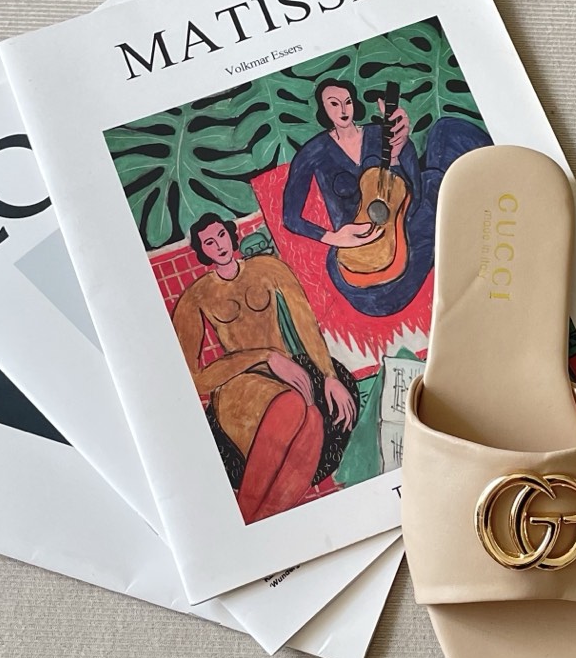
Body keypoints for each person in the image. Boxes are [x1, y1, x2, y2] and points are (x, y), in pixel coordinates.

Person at [173, 213, 356, 524]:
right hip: (237, 387)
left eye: (221, 235)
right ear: (202, 251)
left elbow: (306, 326)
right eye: (209, 242)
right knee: (292, 405)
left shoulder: (269, 269)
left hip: (286, 377)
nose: (218, 245)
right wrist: (265, 356)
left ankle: (253, 525)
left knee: (313, 420)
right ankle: (246, 520)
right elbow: (194, 378)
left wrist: (330, 376)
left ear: (231, 234)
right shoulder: (196, 296)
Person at [280, 77, 491, 318]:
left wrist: (400, 153)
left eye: (347, 102)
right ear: (323, 109)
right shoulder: (313, 152)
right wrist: (334, 237)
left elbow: (413, 190)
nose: (343, 110)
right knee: (438, 184)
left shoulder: (379, 134)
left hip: (407, 229)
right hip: (356, 255)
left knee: (447, 136)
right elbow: (290, 217)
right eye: (334, 104)